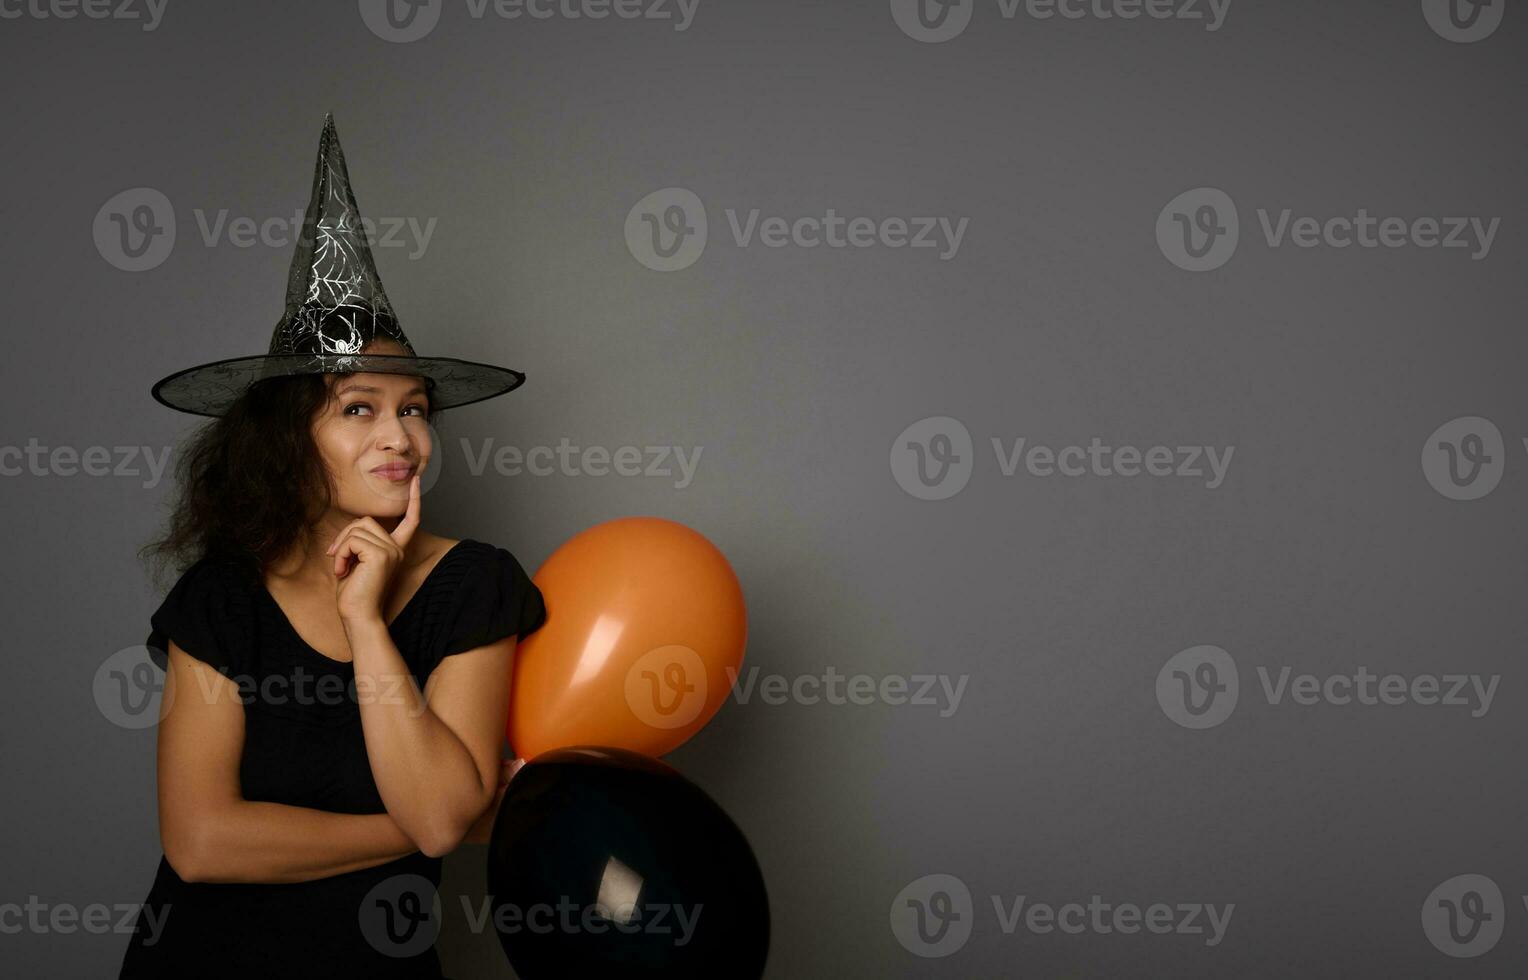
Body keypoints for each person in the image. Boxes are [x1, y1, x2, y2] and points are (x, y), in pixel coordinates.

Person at [118, 114, 543, 979]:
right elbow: (200, 842)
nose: (401, 436)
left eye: (415, 408)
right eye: (360, 408)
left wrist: (367, 621)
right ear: (287, 438)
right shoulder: (221, 599)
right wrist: (446, 818)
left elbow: (435, 821)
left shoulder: (474, 585)